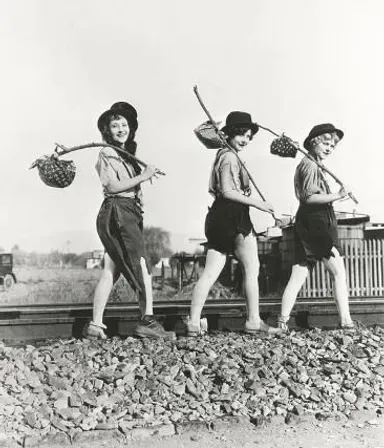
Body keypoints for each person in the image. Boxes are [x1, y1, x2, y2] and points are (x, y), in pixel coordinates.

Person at [83, 101, 175, 340]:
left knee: (110, 270)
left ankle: (96, 325)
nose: (121, 129)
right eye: (115, 125)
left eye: (125, 124)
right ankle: (148, 322)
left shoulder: (125, 155)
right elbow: (112, 186)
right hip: (118, 211)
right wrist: (143, 177)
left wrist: (140, 182)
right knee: (142, 266)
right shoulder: (107, 152)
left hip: (123, 212)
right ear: (107, 130)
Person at [186, 111, 281, 336]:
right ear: (229, 134)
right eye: (241, 134)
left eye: (248, 136)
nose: (245, 140)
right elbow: (229, 191)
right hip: (233, 216)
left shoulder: (224, 154)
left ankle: (192, 322)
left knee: (210, 272)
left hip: (218, 216)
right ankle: (254, 321)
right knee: (252, 267)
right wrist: (258, 203)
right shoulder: (229, 157)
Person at [277, 123, 355, 331]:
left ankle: (282, 321)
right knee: (338, 272)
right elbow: (310, 197)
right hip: (315, 223)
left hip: (309, 222)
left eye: (332, 145)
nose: (329, 148)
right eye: (326, 143)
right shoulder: (310, 165)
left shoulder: (311, 164)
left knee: (299, 274)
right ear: (314, 143)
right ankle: (346, 321)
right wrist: (338, 195)